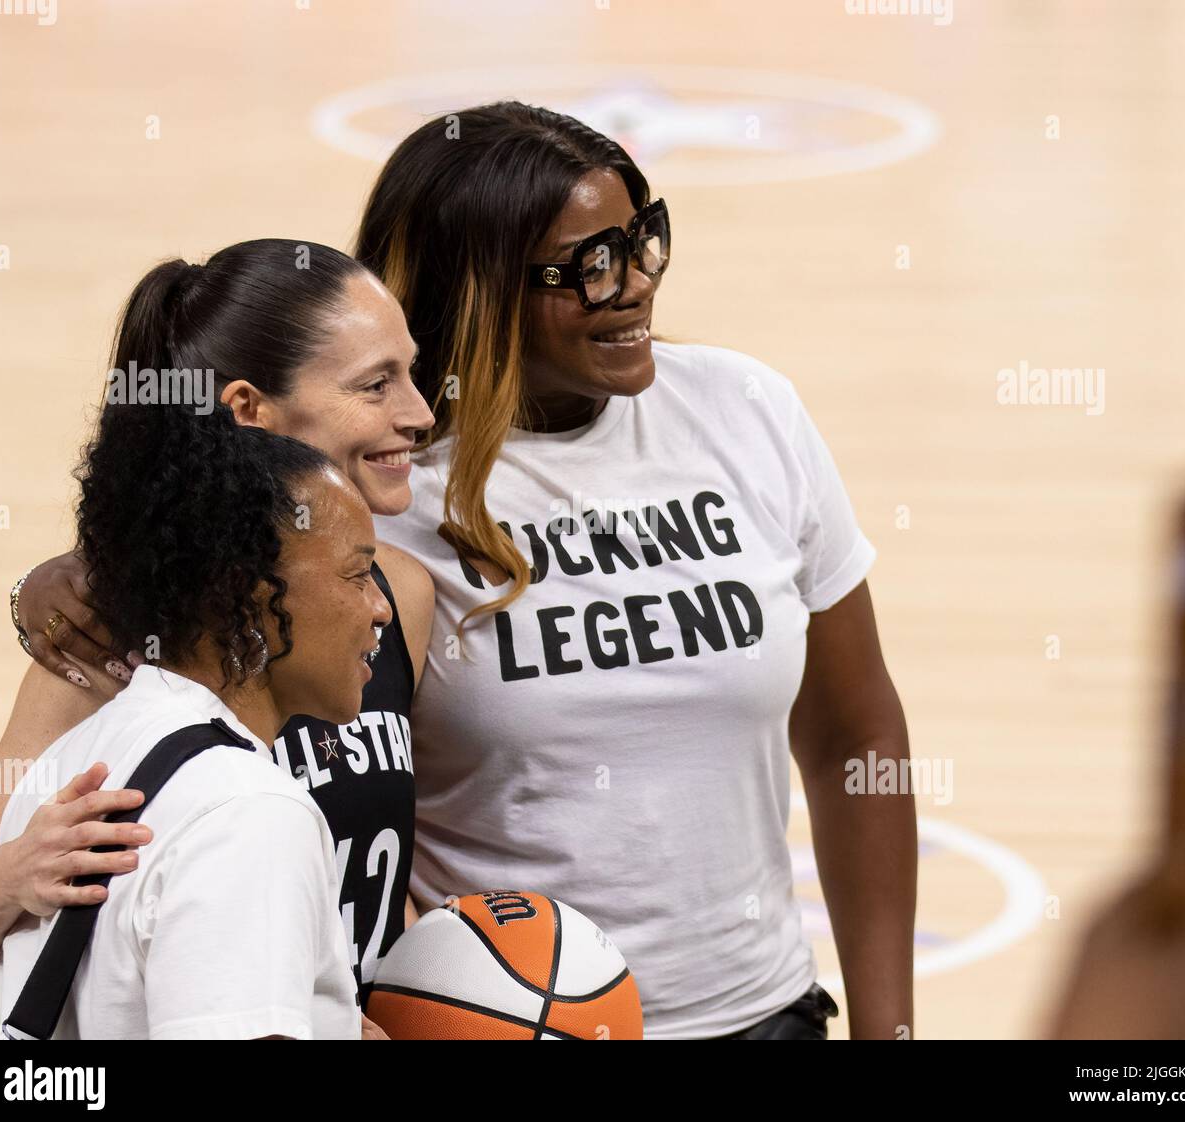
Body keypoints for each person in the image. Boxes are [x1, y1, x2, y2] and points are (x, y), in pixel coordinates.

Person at [353, 102, 916, 1039]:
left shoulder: (746, 410)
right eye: (588, 266)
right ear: (478, 287)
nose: (635, 287)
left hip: (765, 1014)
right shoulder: (386, 490)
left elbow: (857, 732)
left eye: (641, 241)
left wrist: (889, 1029)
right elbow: (333, 804)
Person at [0, 240, 434, 1012]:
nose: (419, 413)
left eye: (410, 373)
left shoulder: (398, 595)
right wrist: (13, 874)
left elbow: (384, 861)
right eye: (377, 385)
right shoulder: (112, 631)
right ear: (248, 410)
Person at [0, 346, 388, 1037]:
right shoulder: (251, 813)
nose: (380, 609)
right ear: (247, 590)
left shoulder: (69, 764)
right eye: (358, 576)